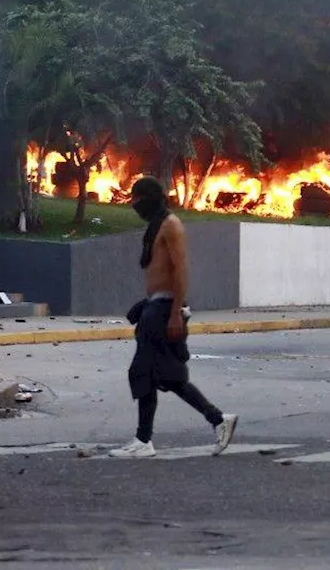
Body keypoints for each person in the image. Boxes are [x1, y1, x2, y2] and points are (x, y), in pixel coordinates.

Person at [109, 176, 238, 458]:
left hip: (166, 308)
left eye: (138, 199)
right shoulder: (157, 227)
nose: (134, 205)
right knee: (164, 376)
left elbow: (180, 270)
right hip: (155, 306)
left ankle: (145, 441)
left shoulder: (171, 225)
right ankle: (216, 420)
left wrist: (176, 313)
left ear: (151, 198)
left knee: (146, 371)